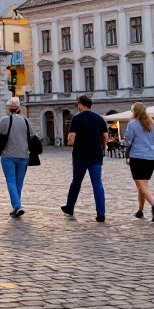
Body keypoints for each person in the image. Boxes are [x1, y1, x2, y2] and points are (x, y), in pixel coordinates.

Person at [61, 94, 108, 222]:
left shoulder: (77, 118)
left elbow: (71, 140)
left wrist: (78, 143)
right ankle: (101, 213)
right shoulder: (99, 119)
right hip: (96, 155)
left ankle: (70, 207)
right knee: (97, 183)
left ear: (81, 105)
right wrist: (98, 145)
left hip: (80, 156)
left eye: (78, 105)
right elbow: (106, 138)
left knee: (76, 182)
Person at [124, 102, 154, 221]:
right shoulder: (153, 125)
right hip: (151, 158)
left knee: (141, 186)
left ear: (135, 112)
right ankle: (140, 210)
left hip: (137, 157)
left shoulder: (132, 125)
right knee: (143, 185)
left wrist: (125, 142)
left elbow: (128, 141)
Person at [0, 96, 31, 217]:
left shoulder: (5, 120)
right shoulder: (25, 121)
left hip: (8, 156)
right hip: (24, 156)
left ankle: (18, 206)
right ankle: (16, 207)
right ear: (19, 108)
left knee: (11, 181)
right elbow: (34, 136)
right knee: (19, 182)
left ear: (9, 108)